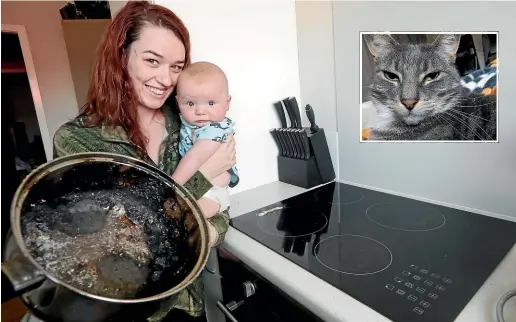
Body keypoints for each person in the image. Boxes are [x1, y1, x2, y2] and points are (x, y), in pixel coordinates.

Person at [52, 1, 236, 321]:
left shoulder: (187, 121)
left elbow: (221, 210)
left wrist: (200, 232)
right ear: (121, 56)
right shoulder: (78, 142)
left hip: (187, 302)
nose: (165, 79)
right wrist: (200, 178)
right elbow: (105, 248)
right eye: (153, 61)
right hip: (132, 311)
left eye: (176, 67)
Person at [171, 61, 239, 219]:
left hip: (213, 192)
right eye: (190, 103)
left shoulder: (216, 129)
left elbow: (196, 156)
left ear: (227, 103)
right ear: (178, 103)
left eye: (210, 103)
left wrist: (171, 186)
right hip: (197, 187)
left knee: (190, 218)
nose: (200, 111)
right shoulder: (187, 122)